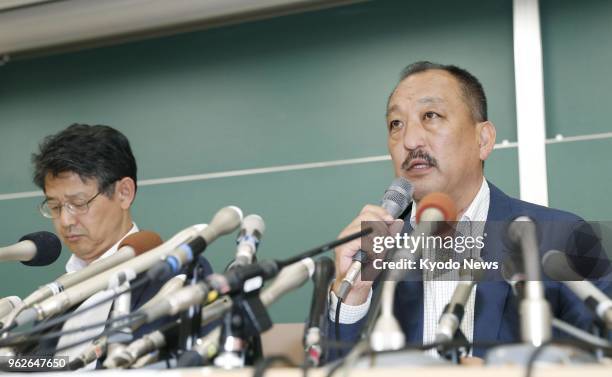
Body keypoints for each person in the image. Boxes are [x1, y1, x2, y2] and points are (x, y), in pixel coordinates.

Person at [327, 61, 611, 361]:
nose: (409, 141)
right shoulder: (372, 251)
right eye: (396, 124)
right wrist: (353, 295)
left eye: (430, 116)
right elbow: (324, 367)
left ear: (483, 140)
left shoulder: (562, 237)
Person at [30, 124, 210, 368]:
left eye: (79, 203)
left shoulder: (177, 274)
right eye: (55, 207)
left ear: (124, 193)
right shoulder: (53, 302)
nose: (65, 221)